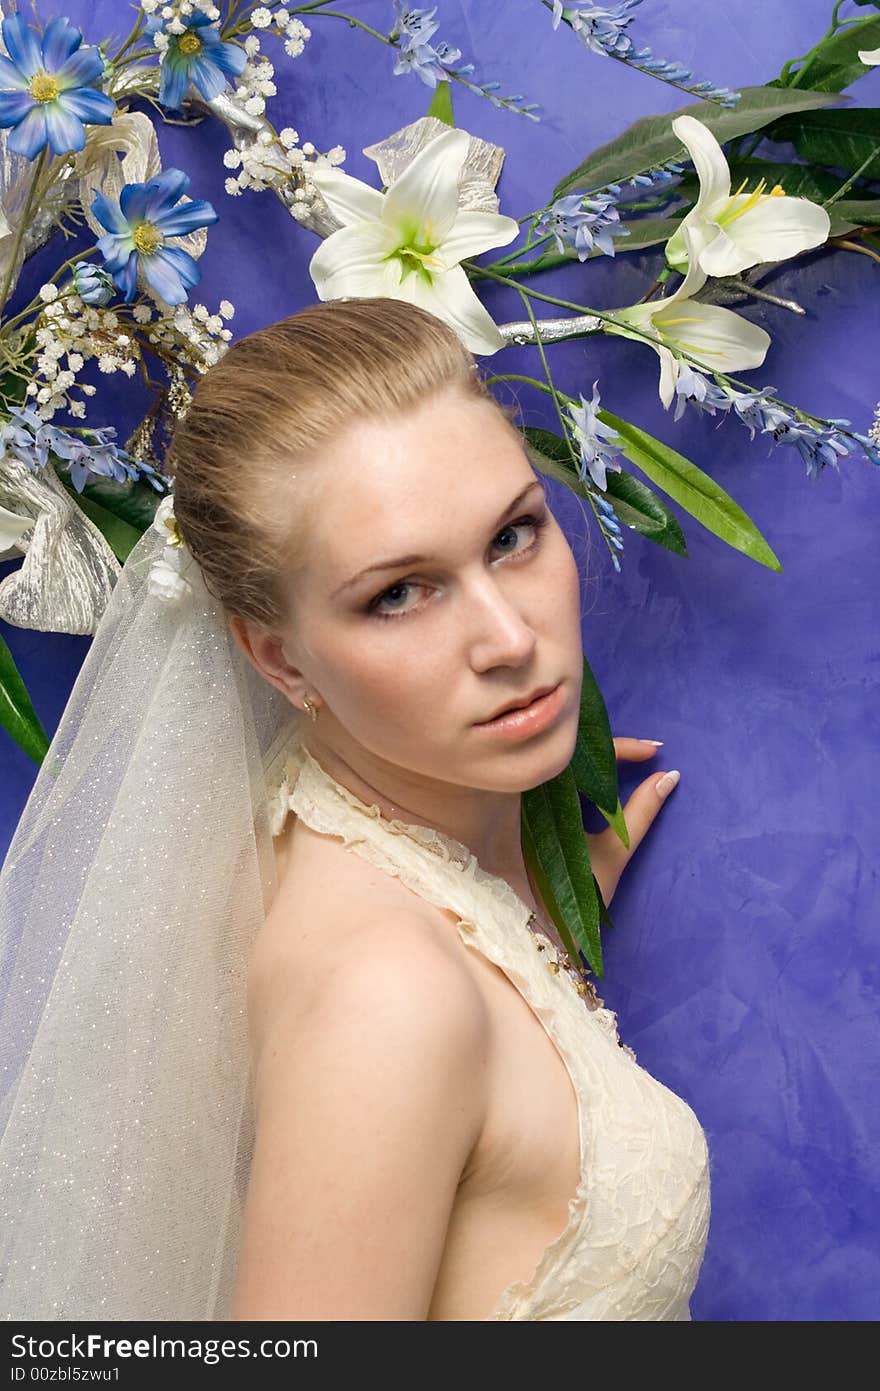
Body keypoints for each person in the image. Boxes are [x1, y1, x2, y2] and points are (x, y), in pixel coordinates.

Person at [0, 296, 709, 1322]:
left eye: (512, 534)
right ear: (279, 659)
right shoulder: (392, 997)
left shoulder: (324, 819)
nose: (510, 638)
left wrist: (527, 925)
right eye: (398, 594)